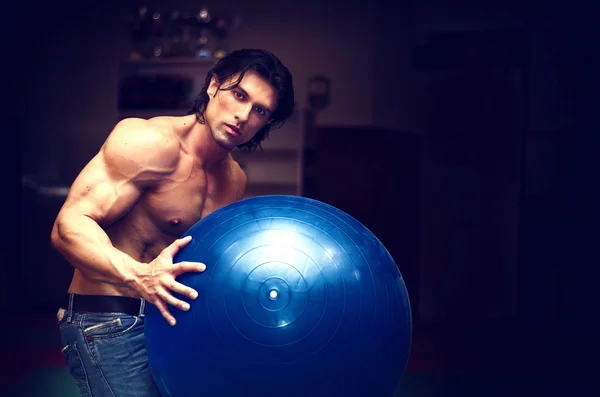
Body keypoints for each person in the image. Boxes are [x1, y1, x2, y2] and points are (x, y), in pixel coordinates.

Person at [50, 48, 295, 396]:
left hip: (173, 324)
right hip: (109, 319)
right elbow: (68, 226)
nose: (243, 115)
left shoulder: (235, 180)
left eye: (260, 110)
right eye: (239, 95)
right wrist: (139, 275)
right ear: (213, 86)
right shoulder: (150, 143)